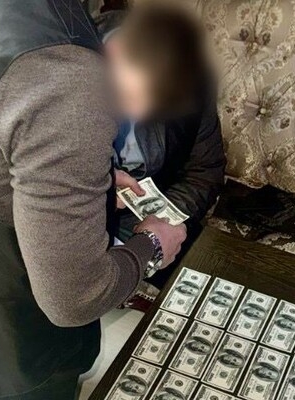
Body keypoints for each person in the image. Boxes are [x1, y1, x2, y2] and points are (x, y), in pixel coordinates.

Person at [0, 1, 186, 399]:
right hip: (11, 349)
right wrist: (151, 246)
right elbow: (75, 297)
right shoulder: (61, 71)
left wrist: (66, 182)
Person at [96, 3, 226, 297]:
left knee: (209, 291)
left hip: (156, 211)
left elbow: (205, 172)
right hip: (77, 220)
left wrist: (160, 224)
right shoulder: (64, 77)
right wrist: (96, 195)